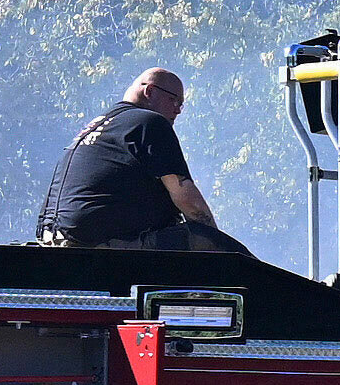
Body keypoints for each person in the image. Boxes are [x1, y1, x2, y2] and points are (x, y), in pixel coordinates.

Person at [36, 69, 247, 259]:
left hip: (55, 241)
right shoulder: (148, 123)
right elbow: (189, 201)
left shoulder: (99, 128)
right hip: (99, 244)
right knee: (213, 243)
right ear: (150, 91)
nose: (179, 110)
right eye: (175, 101)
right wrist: (215, 247)